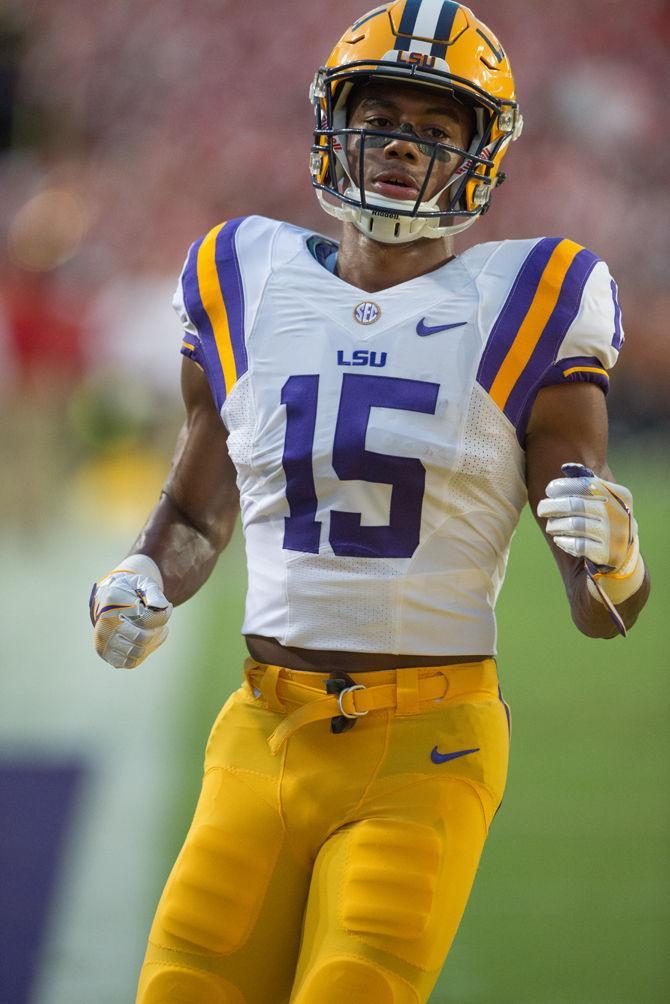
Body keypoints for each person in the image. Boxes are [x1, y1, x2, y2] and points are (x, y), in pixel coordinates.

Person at [90, 2, 650, 1001]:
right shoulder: (241, 276)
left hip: (425, 744)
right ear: (331, 119)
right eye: (383, 115)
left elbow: (598, 605)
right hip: (261, 728)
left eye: (438, 130)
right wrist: (141, 573)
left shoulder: (529, 297)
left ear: (483, 156)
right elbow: (192, 513)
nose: (403, 145)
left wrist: (614, 555)